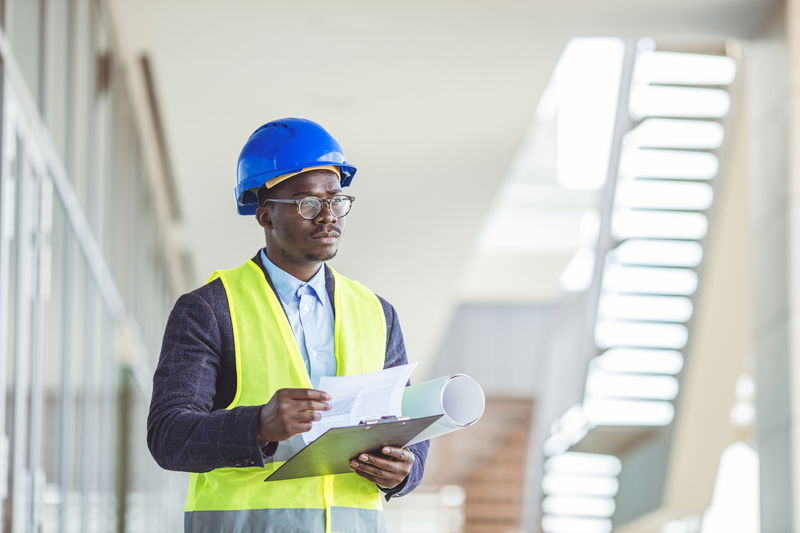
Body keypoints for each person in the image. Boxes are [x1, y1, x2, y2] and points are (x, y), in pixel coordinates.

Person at [147, 118, 429, 533]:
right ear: (264, 215)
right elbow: (169, 437)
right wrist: (258, 425)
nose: (327, 216)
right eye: (307, 204)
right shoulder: (208, 309)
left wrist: (406, 473)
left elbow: (405, 424)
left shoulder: (376, 312)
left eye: (336, 200)